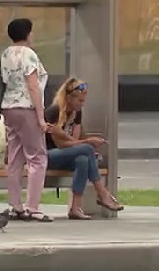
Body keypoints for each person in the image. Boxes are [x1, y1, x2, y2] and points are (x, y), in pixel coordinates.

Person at [44, 77, 124, 219]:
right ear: (69, 98)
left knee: (83, 160)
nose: (82, 104)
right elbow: (60, 144)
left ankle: (75, 208)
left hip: (65, 155)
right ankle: (103, 193)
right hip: (47, 156)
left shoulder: (77, 112)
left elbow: (74, 142)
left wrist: (85, 143)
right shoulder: (54, 111)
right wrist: (87, 142)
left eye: (83, 100)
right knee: (87, 149)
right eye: (80, 101)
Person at [0, 18, 53, 222]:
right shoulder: (28, 54)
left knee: (15, 158)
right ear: (27, 33)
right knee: (37, 157)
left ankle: (15, 205)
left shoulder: (5, 54)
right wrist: (41, 117)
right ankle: (33, 207)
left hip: (8, 108)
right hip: (26, 107)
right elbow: (33, 85)